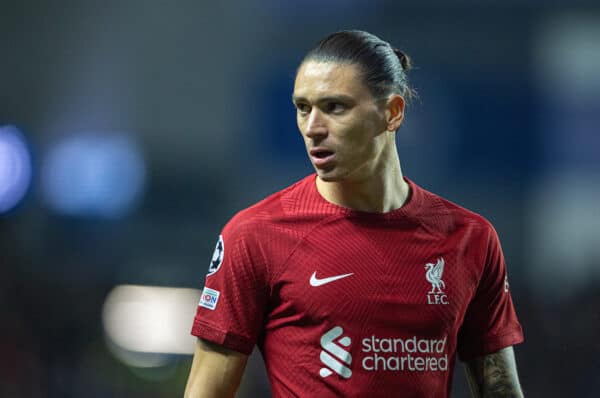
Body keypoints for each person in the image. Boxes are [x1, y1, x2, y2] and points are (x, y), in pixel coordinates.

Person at [184, 30, 524, 398]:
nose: (313, 128)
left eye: (335, 107)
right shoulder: (255, 235)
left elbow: (499, 389)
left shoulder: (470, 239)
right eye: (303, 108)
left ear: (392, 113)